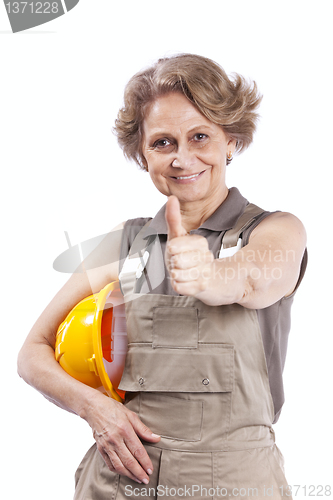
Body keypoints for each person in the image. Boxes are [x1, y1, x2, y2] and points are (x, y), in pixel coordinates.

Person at [18, 53, 307, 500]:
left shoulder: (273, 231)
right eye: (163, 143)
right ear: (142, 154)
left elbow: (253, 279)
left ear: (231, 140)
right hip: (120, 484)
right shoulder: (128, 244)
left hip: (236, 484)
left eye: (200, 136)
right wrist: (95, 409)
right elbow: (32, 354)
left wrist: (209, 274)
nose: (183, 158)